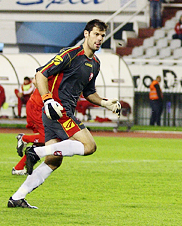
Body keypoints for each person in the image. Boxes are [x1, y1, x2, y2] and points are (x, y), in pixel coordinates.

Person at [8, 19, 121, 209]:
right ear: (86, 34)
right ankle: (35, 151)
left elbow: (88, 92)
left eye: (102, 35)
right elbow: (41, 74)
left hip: (62, 111)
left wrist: (105, 103)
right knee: (89, 145)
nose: (99, 39)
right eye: (96, 34)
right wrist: (48, 100)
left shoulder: (95, 63)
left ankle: (17, 197)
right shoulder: (70, 54)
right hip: (58, 110)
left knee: (53, 161)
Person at [13, 87, 47, 175]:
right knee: (48, 137)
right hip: (37, 107)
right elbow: (37, 80)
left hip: (38, 106)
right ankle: (24, 138)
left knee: (42, 142)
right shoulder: (54, 74)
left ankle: (18, 168)